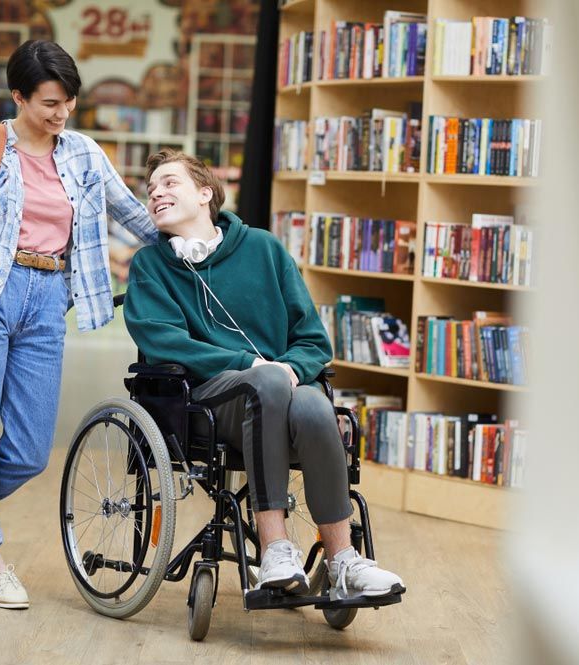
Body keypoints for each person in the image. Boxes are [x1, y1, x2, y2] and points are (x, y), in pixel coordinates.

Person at [0, 41, 158, 608]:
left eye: (68, 101)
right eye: (48, 103)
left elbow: (131, 213)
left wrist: (198, 241)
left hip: (47, 300)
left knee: (32, 450)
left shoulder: (85, 153)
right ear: (18, 96)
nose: (61, 113)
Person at [123, 149, 405, 601]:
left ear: (205, 193)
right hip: (207, 402)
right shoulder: (151, 267)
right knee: (271, 382)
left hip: (284, 395)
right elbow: (163, 341)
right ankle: (275, 549)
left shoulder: (265, 249)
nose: (156, 192)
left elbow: (312, 340)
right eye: (151, 188)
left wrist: (290, 369)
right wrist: (251, 366)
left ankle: (343, 561)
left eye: (170, 182)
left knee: (315, 403)